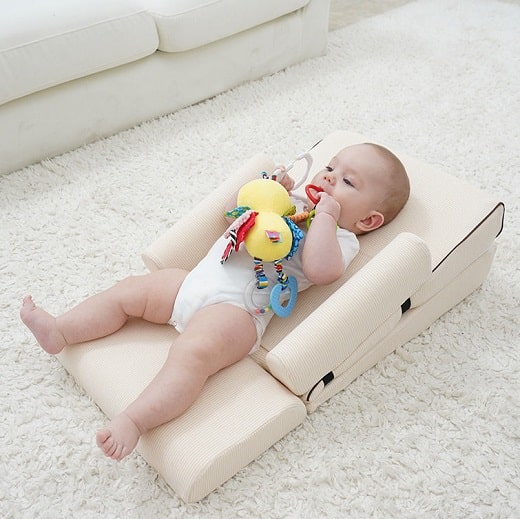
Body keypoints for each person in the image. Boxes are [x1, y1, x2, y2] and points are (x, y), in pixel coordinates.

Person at [20, 142, 410, 461]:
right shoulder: (287, 203)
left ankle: (135, 421)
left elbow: (322, 270)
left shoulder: (342, 238)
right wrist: (267, 193)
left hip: (239, 311)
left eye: (347, 181)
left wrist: (324, 216)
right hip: (194, 281)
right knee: (129, 290)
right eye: (330, 166)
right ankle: (61, 330)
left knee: (192, 354)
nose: (328, 177)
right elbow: (230, 220)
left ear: (368, 220)